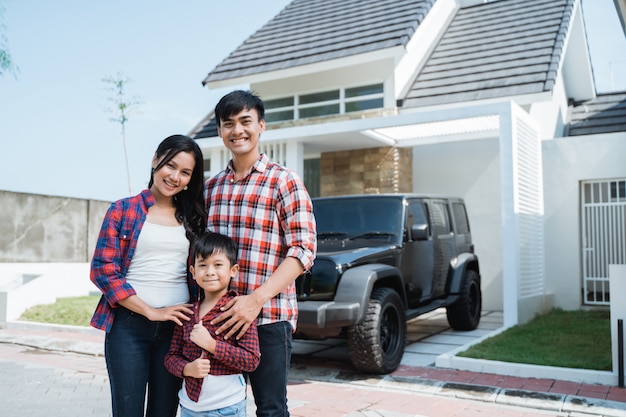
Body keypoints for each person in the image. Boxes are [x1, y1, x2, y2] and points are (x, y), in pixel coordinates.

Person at [205, 90, 317, 417]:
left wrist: (255, 300)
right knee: (220, 406)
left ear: (261, 125)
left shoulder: (284, 181)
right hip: (219, 319)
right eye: (229, 124)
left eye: (245, 122)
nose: (237, 130)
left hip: (268, 318)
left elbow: (304, 249)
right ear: (219, 131)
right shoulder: (211, 189)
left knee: (270, 409)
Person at [90, 134, 206, 417]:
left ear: (191, 179)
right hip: (129, 327)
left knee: (164, 410)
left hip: (177, 330)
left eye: (185, 172)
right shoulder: (123, 209)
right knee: (128, 410)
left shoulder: (193, 219)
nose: (175, 176)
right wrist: (151, 311)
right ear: (156, 160)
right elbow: (103, 269)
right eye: (170, 165)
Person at [165, 232, 261, 417]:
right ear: (193, 272)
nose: (209, 272)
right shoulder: (186, 314)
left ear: (233, 270)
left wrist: (212, 346)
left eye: (218, 265)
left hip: (227, 407)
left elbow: (251, 360)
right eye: (202, 265)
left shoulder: (238, 311)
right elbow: (171, 356)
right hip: (190, 408)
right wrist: (186, 369)